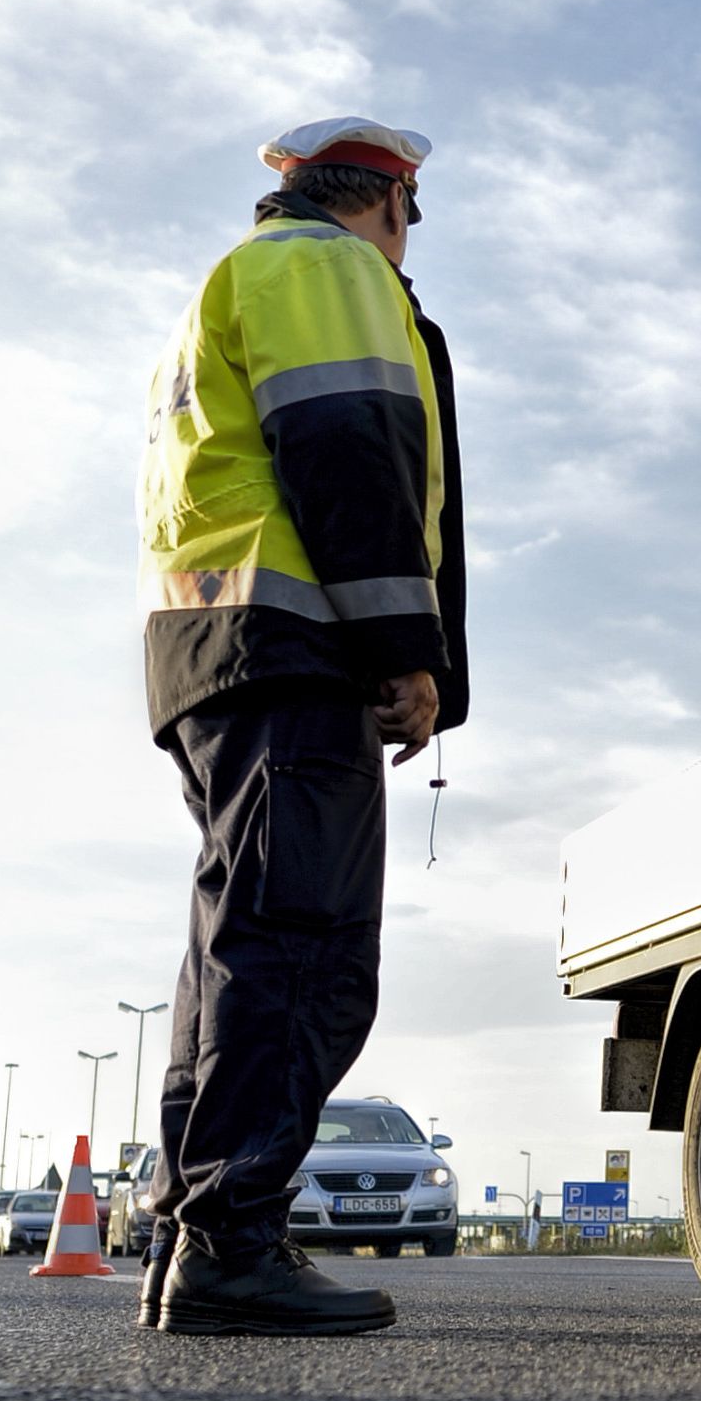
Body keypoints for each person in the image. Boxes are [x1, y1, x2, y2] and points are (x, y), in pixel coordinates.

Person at [135, 114, 467, 1337]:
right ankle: (229, 1245)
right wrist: (402, 649)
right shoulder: (325, 272)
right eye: (407, 225)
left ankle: (194, 1237)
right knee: (302, 953)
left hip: (211, 653)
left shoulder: (225, 287)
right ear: (386, 207)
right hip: (293, 650)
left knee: (234, 954)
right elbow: (348, 452)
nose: (403, 249)